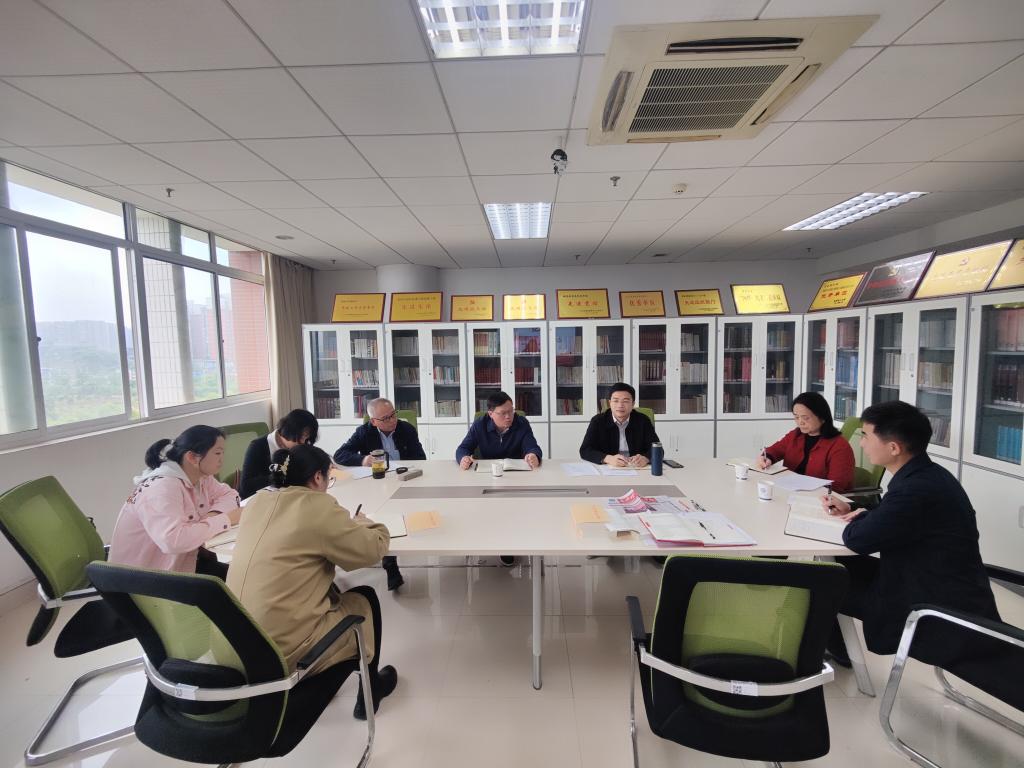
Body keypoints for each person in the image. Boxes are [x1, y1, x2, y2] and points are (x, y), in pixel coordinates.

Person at [823, 401, 1000, 667]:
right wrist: (858, 511)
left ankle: (819, 659)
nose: (861, 443)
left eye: (866, 436)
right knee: (833, 569)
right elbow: (895, 517)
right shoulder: (927, 475)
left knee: (820, 585)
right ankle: (837, 650)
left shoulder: (914, 490)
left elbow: (858, 540)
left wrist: (857, 521)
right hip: (930, 578)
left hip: (933, 603)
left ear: (894, 448)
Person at [227, 444, 397, 720]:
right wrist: (365, 523)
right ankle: (370, 690)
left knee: (329, 589)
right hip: (282, 654)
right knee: (364, 598)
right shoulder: (317, 506)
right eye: (329, 477)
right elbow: (372, 549)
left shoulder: (257, 502)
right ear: (318, 477)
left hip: (234, 646)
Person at [109, 425, 240, 578]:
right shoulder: (162, 488)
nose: (222, 459)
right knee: (239, 581)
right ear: (192, 457)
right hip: (144, 579)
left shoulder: (200, 477)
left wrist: (212, 516)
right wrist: (225, 519)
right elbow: (173, 541)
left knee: (244, 573)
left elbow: (230, 495)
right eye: (217, 453)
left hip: (180, 564)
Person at [334, 398, 425, 591]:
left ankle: (398, 551)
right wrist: (363, 459)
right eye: (386, 418)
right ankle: (390, 563)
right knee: (384, 515)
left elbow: (421, 458)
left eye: (393, 414)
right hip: (377, 483)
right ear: (374, 421)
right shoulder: (364, 432)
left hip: (405, 479)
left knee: (402, 512)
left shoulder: (406, 429)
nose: (392, 420)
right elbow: (340, 454)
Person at [755, 391, 855, 492]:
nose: (800, 422)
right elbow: (775, 450)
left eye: (805, 418)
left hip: (819, 497)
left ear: (822, 417)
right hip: (790, 491)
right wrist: (766, 458)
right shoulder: (796, 435)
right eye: (796, 417)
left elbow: (837, 485)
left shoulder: (839, 446)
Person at [239, 409, 319, 499]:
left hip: (287, 497)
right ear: (291, 431)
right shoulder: (258, 446)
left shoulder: (299, 446)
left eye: (307, 439)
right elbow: (246, 487)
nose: (304, 443)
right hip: (260, 500)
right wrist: (276, 477)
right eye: (302, 437)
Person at [456, 391, 542, 470]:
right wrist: (463, 458)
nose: (508, 416)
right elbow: (463, 448)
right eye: (503, 413)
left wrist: (534, 455)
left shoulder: (522, 423)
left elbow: (532, 447)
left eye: (511, 411)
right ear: (490, 414)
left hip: (516, 471)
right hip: (488, 471)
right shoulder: (480, 424)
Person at [579, 382, 659, 467]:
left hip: (636, 468)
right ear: (610, 403)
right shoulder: (598, 421)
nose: (620, 405)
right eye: (616, 401)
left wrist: (646, 458)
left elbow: (657, 449)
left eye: (625, 401)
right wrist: (608, 458)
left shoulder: (643, 420)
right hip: (609, 468)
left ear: (633, 404)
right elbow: (585, 450)